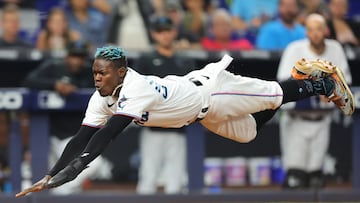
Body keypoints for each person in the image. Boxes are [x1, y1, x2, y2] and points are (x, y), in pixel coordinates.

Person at [15, 45, 354, 197]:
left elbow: (103, 140)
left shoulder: (135, 87)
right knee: (249, 133)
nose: (96, 77)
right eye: (94, 72)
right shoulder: (102, 95)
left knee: (277, 94)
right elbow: (80, 138)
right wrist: (49, 174)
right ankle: (300, 79)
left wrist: (63, 178)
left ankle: (318, 82)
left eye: (102, 72)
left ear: (120, 71)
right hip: (202, 116)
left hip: (214, 93)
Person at [22, 42, 113, 195]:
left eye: (80, 57)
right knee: (30, 171)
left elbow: (108, 88)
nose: (77, 61)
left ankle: (59, 192)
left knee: (95, 164)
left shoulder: (90, 73)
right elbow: (28, 81)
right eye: (73, 56)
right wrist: (55, 85)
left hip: (73, 136)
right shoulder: (53, 67)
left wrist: (75, 89)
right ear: (67, 56)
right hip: (47, 135)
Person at [277, 14, 352, 189]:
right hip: (296, 120)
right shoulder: (294, 49)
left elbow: (345, 79)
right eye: (311, 30)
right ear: (306, 32)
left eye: (319, 29)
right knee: (295, 179)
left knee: (316, 179)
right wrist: (315, 87)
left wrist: (331, 90)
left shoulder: (335, 48)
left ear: (325, 30)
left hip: (322, 119)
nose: (315, 34)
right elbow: (283, 81)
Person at [134, 15, 196, 194]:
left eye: (167, 31)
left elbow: (193, 91)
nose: (165, 35)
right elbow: (136, 89)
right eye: (160, 32)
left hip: (178, 128)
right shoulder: (146, 59)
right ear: (154, 34)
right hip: (153, 127)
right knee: (148, 178)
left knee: (175, 181)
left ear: (174, 32)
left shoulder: (185, 60)